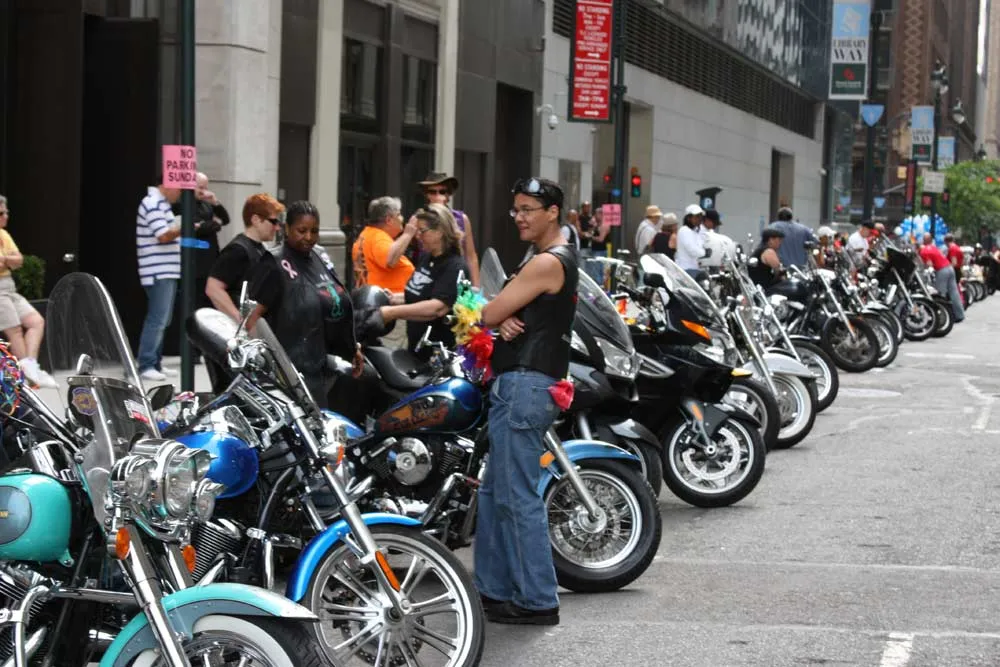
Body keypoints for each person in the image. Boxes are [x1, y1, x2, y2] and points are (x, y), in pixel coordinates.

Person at [476, 177, 577, 626]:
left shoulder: (547, 262)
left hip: (524, 386)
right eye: (515, 209)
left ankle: (537, 600)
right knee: (494, 493)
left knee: (516, 496)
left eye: (527, 209)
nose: (518, 217)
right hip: (524, 384)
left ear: (552, 212)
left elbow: (487, 311)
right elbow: (502, 311)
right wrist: (505, 316)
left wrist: (499, 315)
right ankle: (494, 591)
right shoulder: (546, 257)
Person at [248, 201, 365, 408]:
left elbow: (333, 304)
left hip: (319, 364)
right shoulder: (274, 263)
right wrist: (264, 363)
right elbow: (253, 318)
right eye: (301, 231)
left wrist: (350, 347)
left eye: (314, 231)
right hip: (288, 371)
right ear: (287, 229)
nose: (309, 237)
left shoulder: (318, 257)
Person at [374, 204, 469, 352]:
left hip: (438, 353)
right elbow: (420, 294)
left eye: (422, 231)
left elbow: (437, 308)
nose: (417, 236)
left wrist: (390, 313)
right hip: (416, 347)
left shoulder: (455, 266)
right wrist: (392, 298)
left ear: (440, 232)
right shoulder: (426, 257)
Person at [0, 195, 56, 388]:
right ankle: (26, 377)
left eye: (6, 212)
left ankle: (30, 369)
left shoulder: (4, 235)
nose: (5, 216)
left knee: (35, 321)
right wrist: (9, 260)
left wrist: (6, 260)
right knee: (14, 330)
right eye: (1, 213)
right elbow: (10, 261)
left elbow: (19, 260)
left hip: (8, 286)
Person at [352, 196, 417, 349]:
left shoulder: (368, 234)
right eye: (399, 214)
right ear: (389, 219)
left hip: (375, 308)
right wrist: (408, 234)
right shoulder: (379, 238)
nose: (402, 219)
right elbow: (390, 260)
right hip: (389, 311)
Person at [136, 179, 182, 382]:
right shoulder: (153, 202)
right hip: (158, 270)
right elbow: (163, 236)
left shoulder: (159, 203)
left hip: (164, 269)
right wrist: (184, 226)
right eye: (179, 189)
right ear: (168, 184)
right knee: (158, 319)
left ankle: (155, 363)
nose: (180, 194)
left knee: (162, 319)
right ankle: (146, 364)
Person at [419, 173, 480, 287]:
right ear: (427, 194)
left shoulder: (461, 219)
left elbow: (471, 256)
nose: (438, 196)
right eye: (432, 192)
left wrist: (476, 289)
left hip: (457, 277)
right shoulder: (418, 219)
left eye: (442, 191)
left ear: (448, 195)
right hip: (427, 278)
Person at [919, 233, 965, 322]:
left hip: (941, 271)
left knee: (940, 295)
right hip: (950, 268)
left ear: (924, 240)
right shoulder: (934, 248)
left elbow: (929, 265)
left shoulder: (924, 251)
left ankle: (942, 318)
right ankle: (960, 315)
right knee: (954, 293)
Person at [676, 204, 707, 276]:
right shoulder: (684, 230)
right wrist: (706, 253)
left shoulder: (697, 231)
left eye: (701, 216)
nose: (700, 219)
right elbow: (693, 250)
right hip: (687, 270)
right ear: (688, 218)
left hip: (696, 268)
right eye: (697, 216)